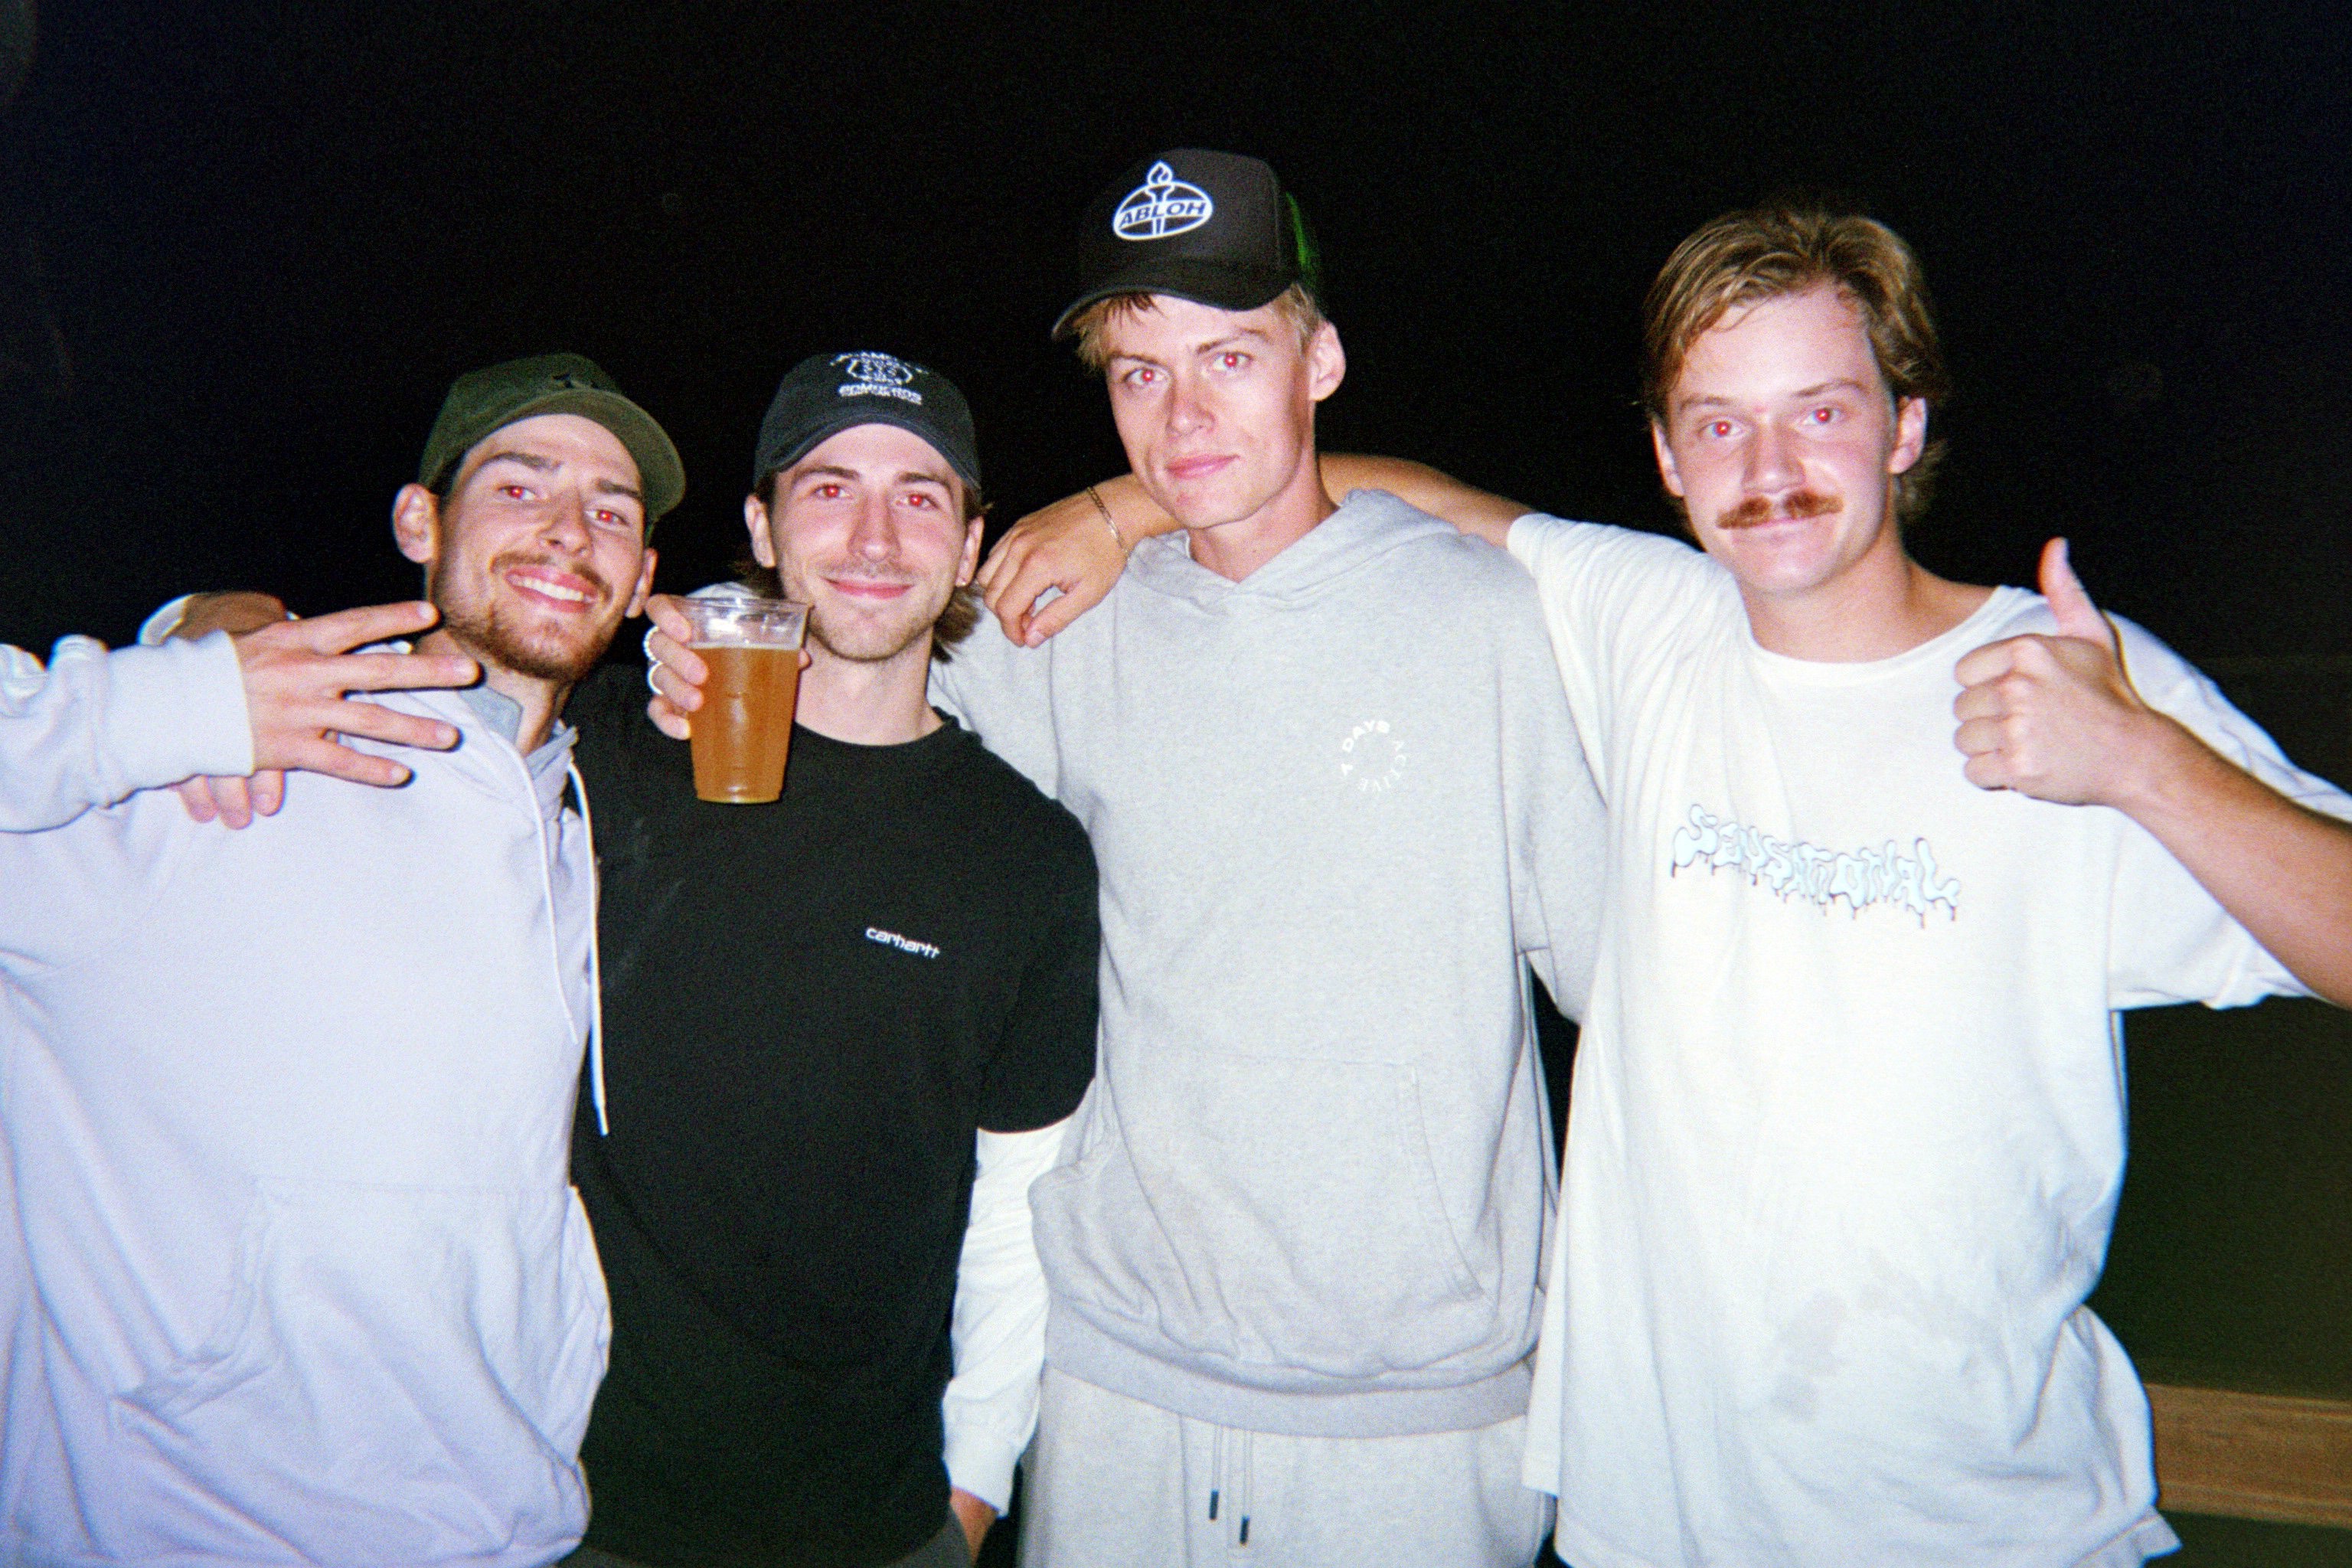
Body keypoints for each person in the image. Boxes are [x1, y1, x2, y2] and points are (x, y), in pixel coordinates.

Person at [977, 204, 2352, 1567]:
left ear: (1906, 425)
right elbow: (1389, 502)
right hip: (1651, 1521)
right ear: (1667, 459)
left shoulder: (2061, 680)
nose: (1771, 468)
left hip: (1985, 1521)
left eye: (1821, 412)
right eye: (1719, 423)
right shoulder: (1646, 623)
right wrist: (1125, 505)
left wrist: (2146, 765)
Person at [654, 151, 1605, 1568]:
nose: (1185, 413)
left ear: (1321, 362)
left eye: (1232, 356)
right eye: (1140, 372)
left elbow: (1633, 1005)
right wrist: (690, 647)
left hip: (1417, 1419)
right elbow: (864, 626)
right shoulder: (1055, 626)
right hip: (1111, 1391)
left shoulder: (1492, 625)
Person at [0, 352, 681, 1563]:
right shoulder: (215, 775)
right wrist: (169, 701)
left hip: (502, 1523)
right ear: (421, 523)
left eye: (611, 511)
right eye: (519, 486)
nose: (570, 532)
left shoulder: (581, 819)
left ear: (642, 584)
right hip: (190, 1526)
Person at [566, 352, 1099, 1568]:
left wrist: (972, 1491)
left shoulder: (1027, 857)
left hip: (875, 1520)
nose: (873, 537)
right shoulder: (608, 757)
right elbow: (436, 680)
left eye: (920, 495)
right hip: (575, 1509)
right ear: (761, 528)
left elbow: (1019, 1212)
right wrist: (202, 620)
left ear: (970, 545)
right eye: (827, 488)